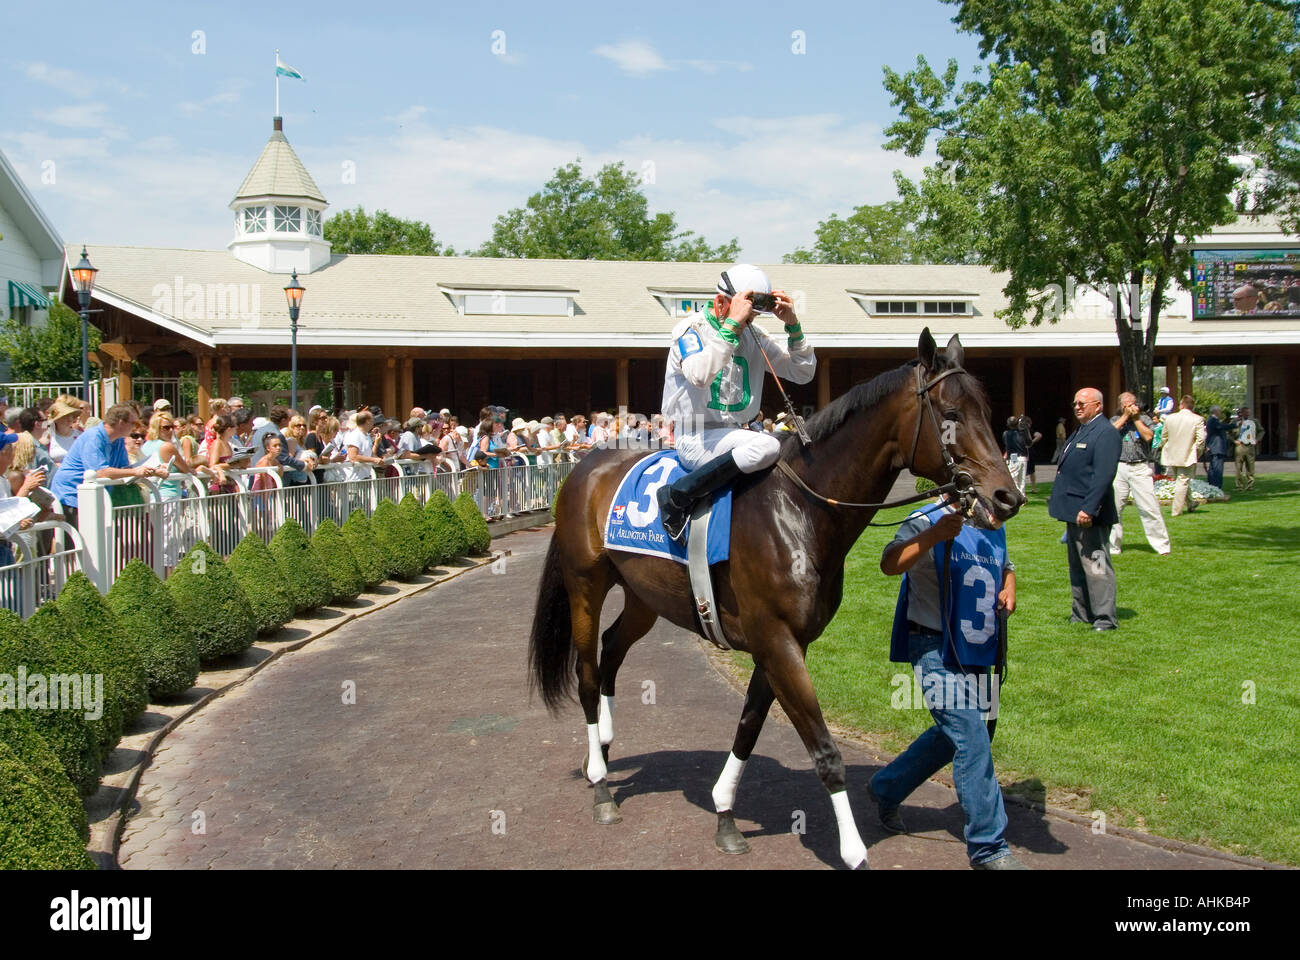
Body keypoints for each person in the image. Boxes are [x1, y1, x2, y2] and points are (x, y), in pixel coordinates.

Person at [868, 497, 1024, 870]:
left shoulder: (991, 520)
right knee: (971, 736)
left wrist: (1010, 587)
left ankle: (886, 787)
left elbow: (1006, 564)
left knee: (958, 734)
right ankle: (989, 848)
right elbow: (890, 562)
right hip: (933, 646)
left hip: (977, 648)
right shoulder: (927, 517)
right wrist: (934, 534)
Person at [658, 263, 816, 542]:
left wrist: (793, 326)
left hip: (737, 432)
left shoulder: (754, 335)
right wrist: (731, 326)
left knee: (789, 444)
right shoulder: (689, 330)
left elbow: (802, 373)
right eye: (748, 314)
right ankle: (677, 496)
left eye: (753, 316)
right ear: (722, 302)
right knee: (768, 445)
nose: (750, 322)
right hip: (696, 436)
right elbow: (698, 376)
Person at [1047, 388, 1121, 631]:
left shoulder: (1105, 433)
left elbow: (1103, 475)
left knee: (1096, 565)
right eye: (1075, 403)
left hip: (1089, 514)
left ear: (1098, 406)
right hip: (1073, 512)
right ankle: (1081, 613)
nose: (1077, 407)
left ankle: (1104, 618)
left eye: (1082, 403)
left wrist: (1089, 508)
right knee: (1078, 566)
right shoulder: (1083, 429)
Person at [49, 403, 167, 527]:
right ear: (121, 422)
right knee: (77, 544)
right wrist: (135, 471)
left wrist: (153, 470)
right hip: (71, 497)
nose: (135, 428)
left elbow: (124, 470)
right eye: (133, 423)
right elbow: (100, 472)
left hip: (95, 498)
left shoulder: (119, 439)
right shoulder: (93, 437)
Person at [1108, 393, 1170, 556]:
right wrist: (1125, 417)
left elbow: (1149, 436)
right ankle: (1113, 546)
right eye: (1126, 404)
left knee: (1149, 507)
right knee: (1115, 508)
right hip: (1119, 467)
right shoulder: (1115, 420)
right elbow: (1108, 434)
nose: (1130, 406)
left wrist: (1135, 419)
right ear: (1121, 406)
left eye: (1132, 403)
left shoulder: (1144, 419)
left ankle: (1161, 546)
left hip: (1140, 466)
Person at [1159, 396, 1206, 517]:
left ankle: (1191, 503)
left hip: (1172, 454)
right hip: (1187, 454)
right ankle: (1176, 511)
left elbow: (1164, 437)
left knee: (1181, 480)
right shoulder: (1198, 419)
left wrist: (1166, 448)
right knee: (1183, 481)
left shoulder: (1170, 418)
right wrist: (1196, 452)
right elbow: (1201, 439)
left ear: (1181, 405)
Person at [1204, 406, 1231, 490]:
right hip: (1217, 448)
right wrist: (1234, 425)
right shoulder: (1213, 420)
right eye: (1219, 411)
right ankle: (1216, 487)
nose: (1221, 412)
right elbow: (1221, 427)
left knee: (1214, 468)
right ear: (1215, 411)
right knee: (1217, 469)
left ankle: (1213, 486)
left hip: (1215, 448)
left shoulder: (1212, 420)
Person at [1234, 406, 1259, 490]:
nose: (1247, 414)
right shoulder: (1235, 422)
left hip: (1250, 446)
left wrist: (1257, 439)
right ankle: (1239, 486)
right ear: (1241, 413)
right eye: (1245, 412)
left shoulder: (1254, 422)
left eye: (1248, 412)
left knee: (1250, 467)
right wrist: (1234, 441)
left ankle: (1250, 485)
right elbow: (1228, 433)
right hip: (1239, 446)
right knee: (1238, 467)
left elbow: (1261, 431)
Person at [1002, 416, 1028, 496]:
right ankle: (1022, 496)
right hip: (1023, 456)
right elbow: (1028, 443)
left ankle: (1018, 495)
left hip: (1013, 456)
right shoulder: (1023, 433)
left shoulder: (1006, 434)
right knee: (1022, 479)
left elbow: (1007, 445)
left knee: (1013, 478)